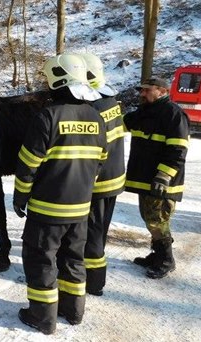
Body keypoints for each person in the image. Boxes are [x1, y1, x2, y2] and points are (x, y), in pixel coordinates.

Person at [13, 54, 107, 335]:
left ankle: (42, 316)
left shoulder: (48, 116)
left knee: (41, 259)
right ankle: (73, 311)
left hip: (47, 209)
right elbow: (100, 160)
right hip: (80, 209)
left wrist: (20, 197)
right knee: (73, 259)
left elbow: (28, 164)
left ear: (58, 79)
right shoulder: (95, 116)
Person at [123, 77, 190, 279]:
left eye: (146, 90)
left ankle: (167, 260)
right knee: (149, 218)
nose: (142, 94)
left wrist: (163, 175)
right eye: (141, 90)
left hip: (162, 182)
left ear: (162, 91)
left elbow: (178, 149)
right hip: (146, 180)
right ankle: (157, 255)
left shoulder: (173, 114)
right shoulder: (144, 112)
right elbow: (120, 124)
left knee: (157, 221)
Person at [79, 53, 126, 296]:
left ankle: (94, 282)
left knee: (93, 233)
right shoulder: (111, 100)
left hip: (98, 182)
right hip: (115, 176)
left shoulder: (92, 108)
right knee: (101, 229)